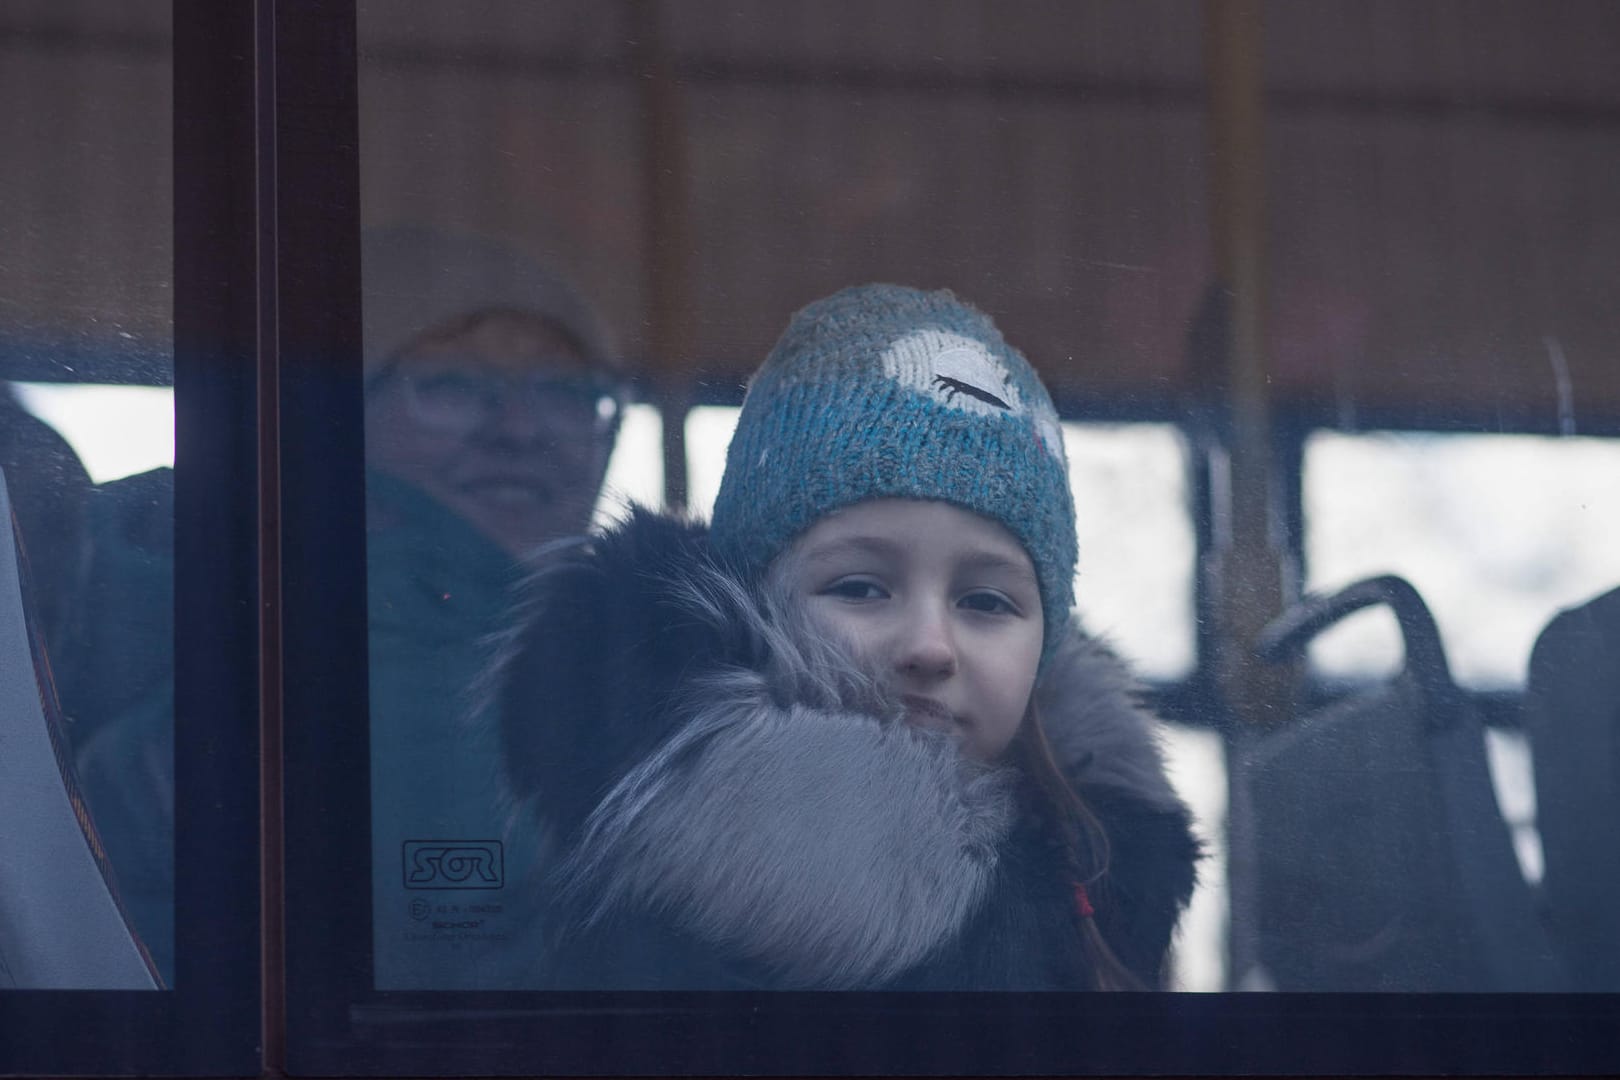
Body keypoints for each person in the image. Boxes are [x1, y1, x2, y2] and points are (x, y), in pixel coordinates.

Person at [491, 284, 1200, 990]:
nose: (930, 645)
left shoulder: (1098, 882)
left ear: (1047, 640)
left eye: (986, 600)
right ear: (757, 610)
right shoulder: (667, 938)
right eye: (860, 588)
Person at [362, 226, 628, 989]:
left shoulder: (668, 664)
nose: (518, 430)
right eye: (450, 386)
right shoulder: (253, 664)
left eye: (563, 392)